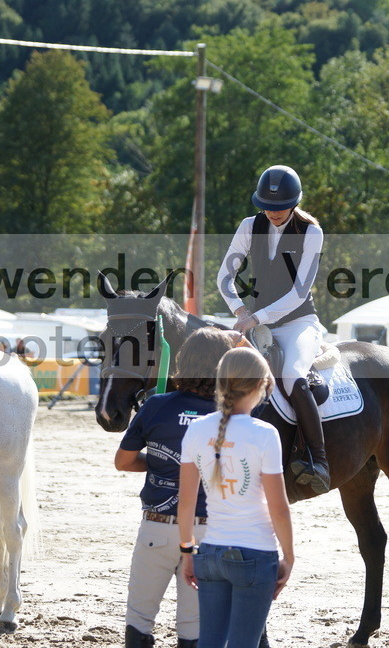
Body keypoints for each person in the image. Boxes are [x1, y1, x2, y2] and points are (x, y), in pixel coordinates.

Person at [115, 328, 238, 648]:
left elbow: (123, 462)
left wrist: (160, 463)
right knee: (194, 628)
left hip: (158, 526)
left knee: (139, 620)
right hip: (209, 531)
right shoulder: (233, 415)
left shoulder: (156, 405)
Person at [216, 164, 329, 494]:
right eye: (268, 206)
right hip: (255, 325)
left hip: (298, 324)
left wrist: (256, 316)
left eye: (280, 207)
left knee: (293, 375)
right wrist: (239, 309)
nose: (274, 212)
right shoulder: (249, 226)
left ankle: (319, 461)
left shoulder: (311, 233)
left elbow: (299, 292)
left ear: (295, 203)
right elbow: (224, 276)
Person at [178, 348, 293, 648]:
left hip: (211, 553)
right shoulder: (265, 433)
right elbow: (279, 508)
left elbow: (187, 504)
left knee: (210, 643)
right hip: (255, 554)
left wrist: (187, 552)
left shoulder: (195, 430)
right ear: (262, 385)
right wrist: (290, 556)